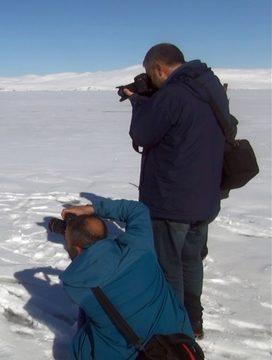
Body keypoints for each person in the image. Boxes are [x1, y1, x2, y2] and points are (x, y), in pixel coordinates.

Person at [123, 43, 237, 338]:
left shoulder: (174, 94)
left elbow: (143, 133)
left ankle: (174, 331)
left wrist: (138, 101)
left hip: (172, 200)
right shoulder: (208, 85)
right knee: (191, 263)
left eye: (151, 74)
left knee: (168, 267)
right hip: (203, 198)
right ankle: (194, 321)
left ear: (159, 68)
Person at [53, 198, 192, 359]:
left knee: (81, 343)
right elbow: (137, 210)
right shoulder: (140, 246)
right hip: (180, 343)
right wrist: (91, 209)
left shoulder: (76, 285)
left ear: (77, 248)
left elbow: (86, 266)